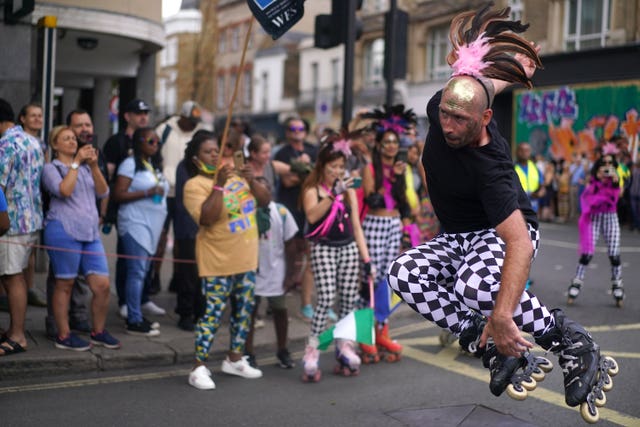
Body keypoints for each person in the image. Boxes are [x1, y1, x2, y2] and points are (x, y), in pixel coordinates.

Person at [386, 5, 615, 418]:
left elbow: (520, 245)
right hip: (456, 234)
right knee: (403, 273)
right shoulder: (447, 102)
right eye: (445, 116)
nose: (449, 126)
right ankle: (485, 341)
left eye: (460, 120)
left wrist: (505, 315)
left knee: (473, 286)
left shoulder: (490, 165)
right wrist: (513, 70)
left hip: (503, 233)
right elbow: (478, 86)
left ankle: (569, 340)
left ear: (485, 119)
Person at [183, 129, 270, 390]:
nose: (216, 155)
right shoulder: (194, 185)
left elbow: (265, 201)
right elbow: (206, 218)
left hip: (246, 259)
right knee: (211, 315)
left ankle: (234, 359)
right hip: (218, 262)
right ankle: (198, 366)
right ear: (197, 159)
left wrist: (252, 180)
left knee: (244, 313)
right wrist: (218, 185)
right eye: (209, 152)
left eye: (218, 151)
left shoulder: (238, 176)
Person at [300, 135, 372, 380]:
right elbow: (311, 216)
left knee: (349, 299)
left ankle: (344, 346)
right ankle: (312, 350)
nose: (338, 171)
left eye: (342, 166)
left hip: (349, 247)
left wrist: (367, 260)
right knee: (326, 298)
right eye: (334, 166)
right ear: (322, 165)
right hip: (323, 248)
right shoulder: (313, 189)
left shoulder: (348, 190)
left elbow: (356, 225)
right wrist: (332, 194)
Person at [42, 126, 120, 350]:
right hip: (63, 230)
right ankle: (64, 335)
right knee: (65, 283)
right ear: (55, 145)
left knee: (102, 285)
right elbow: (64, 191)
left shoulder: (86, 169)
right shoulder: (51, 168)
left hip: (90, 233)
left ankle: (98, 331)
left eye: (73, 139)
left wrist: (94, 166)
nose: (72, 142)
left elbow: (104, 192)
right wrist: (75, 162)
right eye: (65, 139)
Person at [357, 105, 416, 363]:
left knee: (387, 280)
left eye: (395, 141)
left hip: (393, 227)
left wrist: (405, 230)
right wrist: (393, 176)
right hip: (374, 225)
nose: (391, 146)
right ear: (379, 144)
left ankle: (382, 329)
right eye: (387, 142)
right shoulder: (372, 168)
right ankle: (363, 333)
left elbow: (402, 204)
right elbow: (375, 199)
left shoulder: (402, 169)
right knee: (369, 279)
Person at [103, 99, 166, 319]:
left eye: (146, 113)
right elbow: (110, 181)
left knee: (143, 267)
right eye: (138, 113)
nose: (143, 116)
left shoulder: (153, 159)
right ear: (127, 116)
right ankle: (129, 306)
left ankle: (142, 300)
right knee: (129, 263)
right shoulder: (118, 145)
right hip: (132, 219)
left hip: (152, 222)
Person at [112, 127, 169, 336]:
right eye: (151, 141)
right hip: (135, 223)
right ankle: (133, 321)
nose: (155, 145)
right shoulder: (129, 164)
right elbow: (118, 194)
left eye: (158, 142)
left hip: (152, 226)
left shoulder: (152, 165)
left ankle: (136, 314)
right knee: (136, 272)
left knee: (142, 272)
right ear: (138, 143)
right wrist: (147, 192)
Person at [0, 97, 44, 357]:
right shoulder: (32, 141)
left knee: (11, 277)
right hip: (32, 219)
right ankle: (13, 330)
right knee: (14, 275)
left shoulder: (5, 144)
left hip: (11, 223)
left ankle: (18, 335)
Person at [153, 100, 208, 295]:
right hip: (167, 191)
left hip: (189, 193)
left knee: (183, 238)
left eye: (196, 120)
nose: (193, 124)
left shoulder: (200, 132)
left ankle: (178, 277)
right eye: (190, 120)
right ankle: (154, 276)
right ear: (182, 117)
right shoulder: (165, 129)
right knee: (161, 236)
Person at [243, 176, 298, 369]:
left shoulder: (280, 212)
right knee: (249, 312)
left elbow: (291, 243)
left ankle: (283, 350)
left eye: (264, 190)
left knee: (280, 311)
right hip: (252, 271)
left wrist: (292, 274)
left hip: (276, 271)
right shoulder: (246, 211)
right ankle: (248, 352)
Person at [274, 117, 320, 322]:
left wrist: (303, 173)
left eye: (301, 127)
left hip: (309, 206)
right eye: (293, 128)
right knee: (289, 251)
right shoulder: (283, 152)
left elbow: (319, 175)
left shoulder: (312, 149)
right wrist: (305, 174)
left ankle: (299, 291)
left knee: (307, 252)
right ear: (287, 132)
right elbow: (288, 180)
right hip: (289, 206)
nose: (297, 131)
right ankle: (279, 297)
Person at [568, 144, 624, 307]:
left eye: (610, 164)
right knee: (587, 254)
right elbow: (587, 198)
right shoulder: (593, 180)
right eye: (604, 163)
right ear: (599, 166)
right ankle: (576, 283)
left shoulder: (616, 180)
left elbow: (617, 196)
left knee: (614, 254)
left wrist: (614, 183)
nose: (607, 167)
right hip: (594, 217)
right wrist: (597, 181)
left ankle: (617, 284)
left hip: (610, 217)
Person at [173, 130, 211, 331]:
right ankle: (185, 313)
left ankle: (201, 311)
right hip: (189, 227)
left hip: (209, 230)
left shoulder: (214, 170)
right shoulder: (185, 168)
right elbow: (184, 202)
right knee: (188, 272)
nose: (213, 155)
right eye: (208, 151)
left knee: (204, 274)